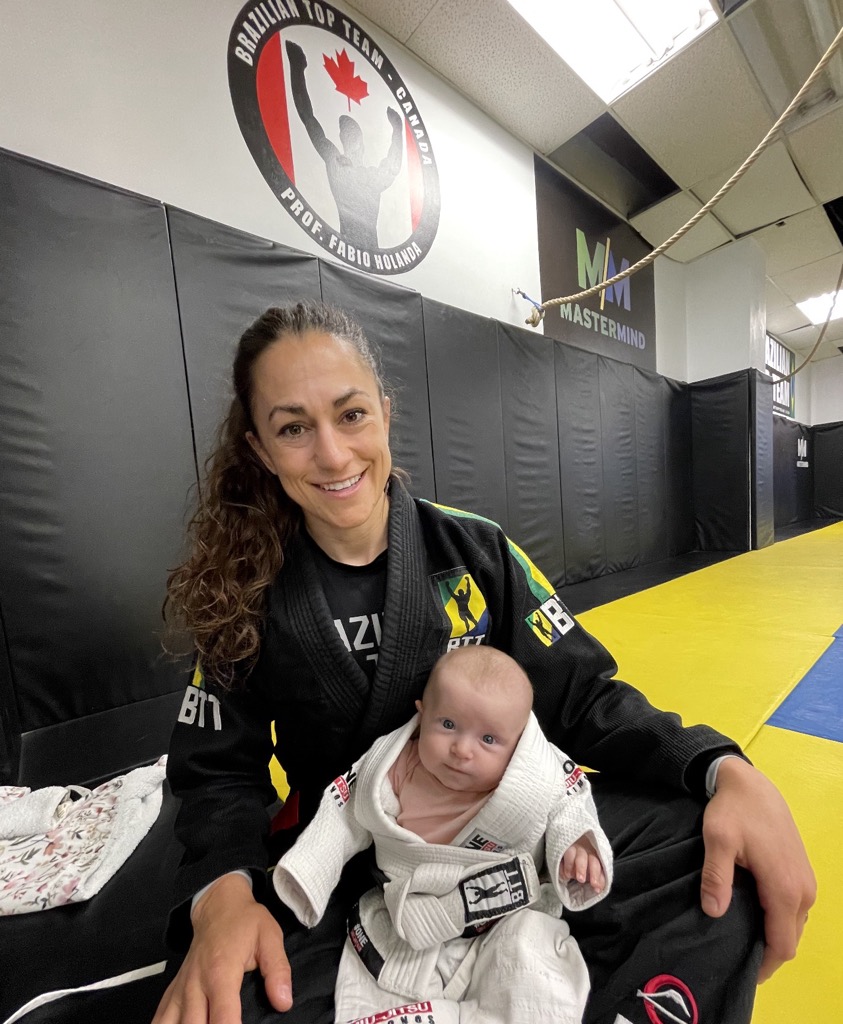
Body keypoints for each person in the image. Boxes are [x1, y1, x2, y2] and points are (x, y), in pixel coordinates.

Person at [153, 301, 815, 1024]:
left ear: (384, 410)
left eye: (350, 415)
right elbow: (216, 773)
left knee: (720, 850)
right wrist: (222, 897)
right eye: (292, 428)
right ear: (259, 449)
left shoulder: (476, 552)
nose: (334, 456)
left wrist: (720, 766)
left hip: (508, 843)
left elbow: (582, 698)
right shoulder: (244, 591)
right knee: (229, 995)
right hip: (346, 869)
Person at [272, 645, 612, 1024]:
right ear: (423, 714)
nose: (462, 750)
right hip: (411, 910)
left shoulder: (534, 775)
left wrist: (578, 842)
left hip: (505, 911)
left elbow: (570, 800)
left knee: (530, 966)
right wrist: (308, 872)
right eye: (447, 725)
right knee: (383, 989)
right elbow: (344, 816)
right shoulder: (392, 765)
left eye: (488, 740)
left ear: (519, 745)